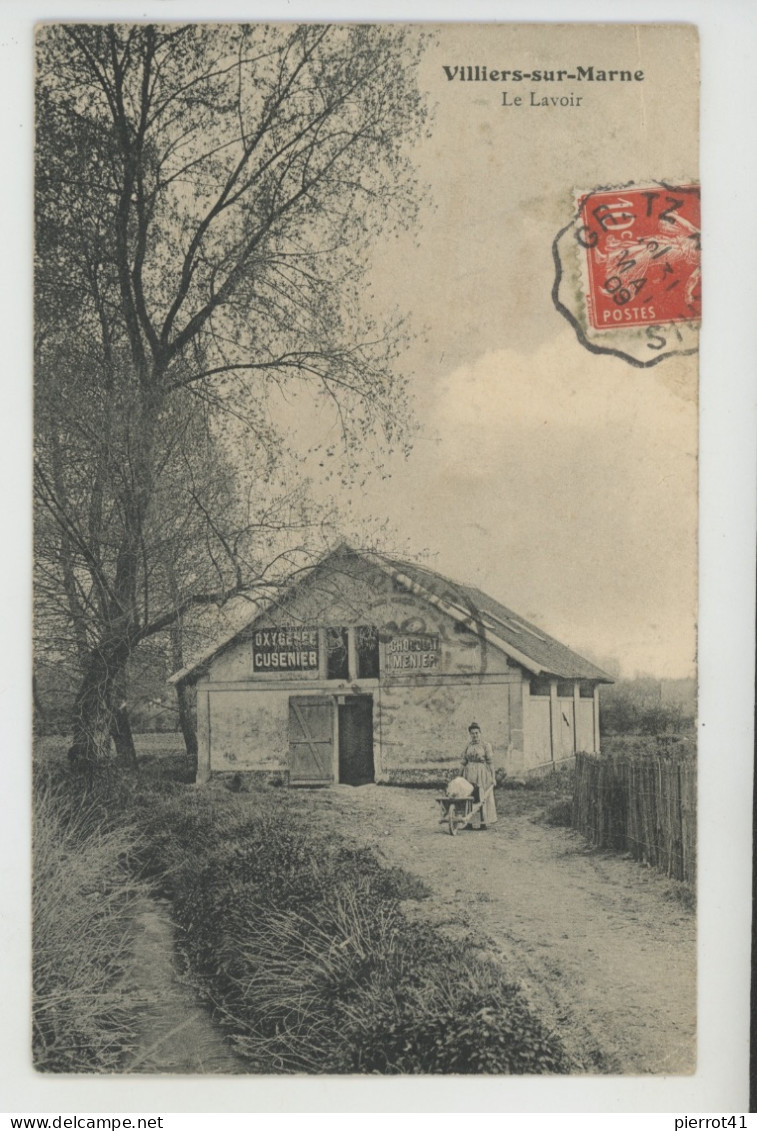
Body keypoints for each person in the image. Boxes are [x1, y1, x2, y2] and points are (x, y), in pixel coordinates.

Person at [460, 722, 498, 829]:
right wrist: (459, 777)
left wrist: (493, 777)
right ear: (470, 735)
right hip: (469, 774)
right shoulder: (468, 746)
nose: (475, 735)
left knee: (482, 796)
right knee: (469, 796)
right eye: (472, 734)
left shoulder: (486, 745)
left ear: (480, 733)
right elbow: (463, 762)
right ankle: (469, 822)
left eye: (476, 733)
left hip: (482, 773)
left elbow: (490, 762)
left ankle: (484, 821)